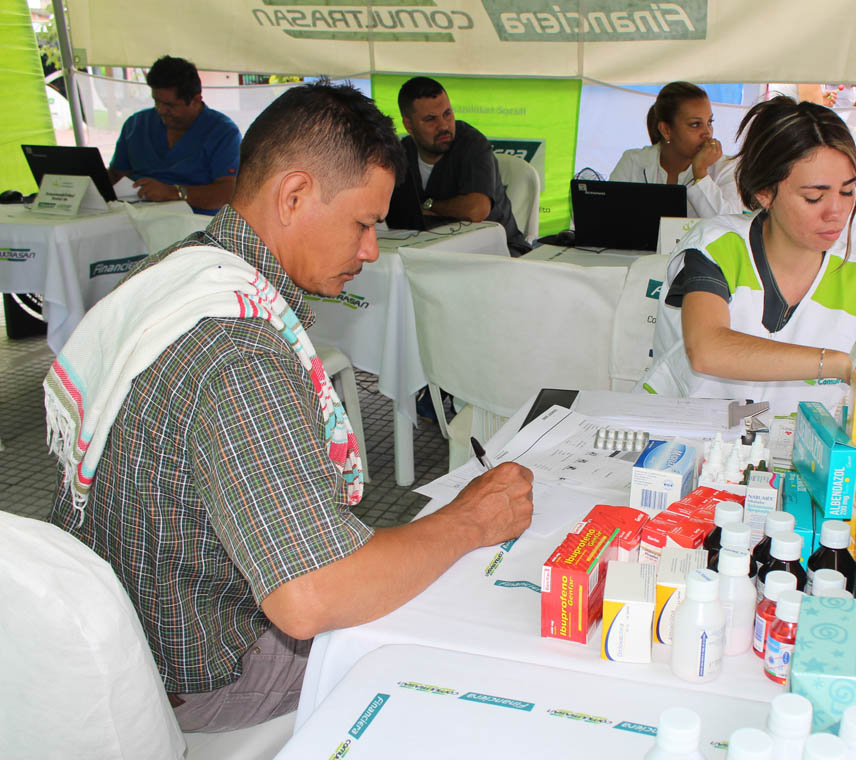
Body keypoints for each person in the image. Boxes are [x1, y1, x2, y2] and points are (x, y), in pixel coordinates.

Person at [47, 82, 534, 733]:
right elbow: (310, 596)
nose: (370, 250)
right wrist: (472, 520)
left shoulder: (177, 270)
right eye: (362, 224)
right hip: (198, 677)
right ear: (294, 194)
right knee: (459, 621)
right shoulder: (237, 350)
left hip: (110, 633)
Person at [639, 96, 856, 415]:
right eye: (814, 197)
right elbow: (708, 349)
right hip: (677, 441)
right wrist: (837, 362)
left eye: (848, 192)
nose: (836, 211)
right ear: (764, 193)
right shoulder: (716, 246)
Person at [386, 76, 529, 256]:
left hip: (497, 254)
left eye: (448, 114)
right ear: (409, 125)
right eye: (431, 119)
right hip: (430, 252)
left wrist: (429, 206)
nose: (444, 126)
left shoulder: (472, 144)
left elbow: (477, 209)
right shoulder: (402, 153)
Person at [107, 55, 241, 214]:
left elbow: (229, 193)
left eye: (170, 105)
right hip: (136, 218)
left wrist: (174, 192)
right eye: (157, 101)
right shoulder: (136, 124)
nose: (161, 110)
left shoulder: (223, 132)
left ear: (196, 100)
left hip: (196, 226)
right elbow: (117, 175)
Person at [610, 82, 742, 218]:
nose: (707, 133)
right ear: (666, 130)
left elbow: (729, 227)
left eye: (709, 122)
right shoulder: (633, 162)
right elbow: (609, 216)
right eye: (695, 124)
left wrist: (701, 174)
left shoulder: (725, 168)